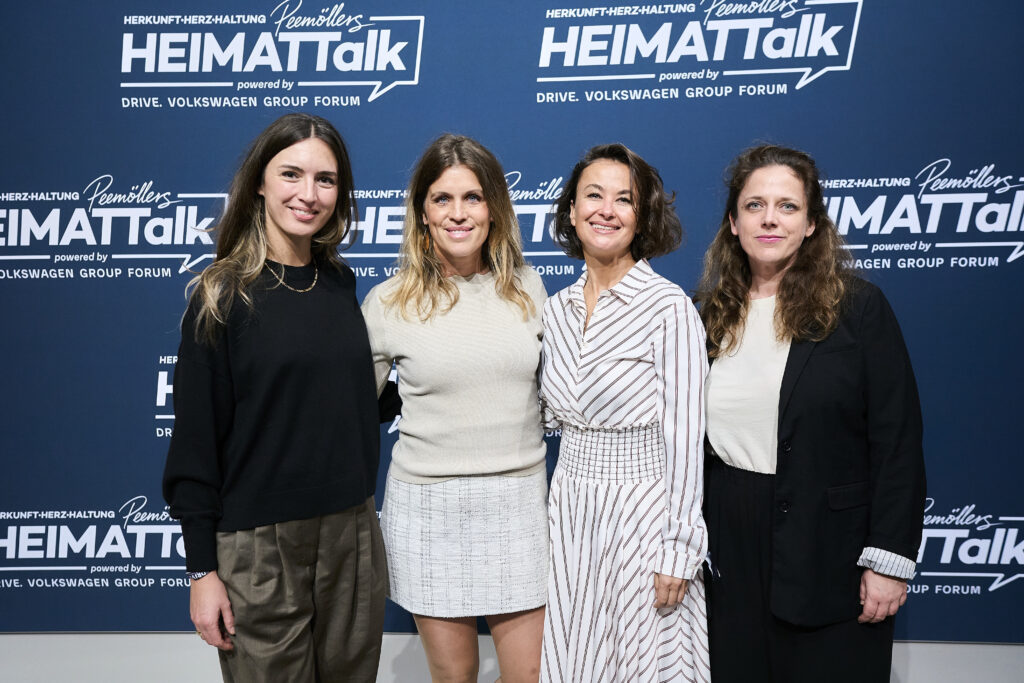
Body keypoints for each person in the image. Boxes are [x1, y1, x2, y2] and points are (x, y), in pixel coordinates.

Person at [162, 113, 389, 682]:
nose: (308, 195)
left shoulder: (340, 283)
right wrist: (202, 573)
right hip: (259, 546)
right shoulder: (221, 296)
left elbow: (349, 408)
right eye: (291, 174)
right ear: (259, 182)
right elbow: (194, 446)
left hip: (352, 533)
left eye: (326, 180)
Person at [696, 144, 926, 682]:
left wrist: (888, 559)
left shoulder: (858, 308)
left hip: (833, 551)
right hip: (729, 545)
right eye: (754, 206)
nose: (769, 218)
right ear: (733, 222)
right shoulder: (705, 315)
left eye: (787, 206)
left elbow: (897, 441)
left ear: (811, 224)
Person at [361, 134, 548, 683]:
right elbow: (348, 408)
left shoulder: (530, 289)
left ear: (494, 209)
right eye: (442, 199)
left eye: (473, 197)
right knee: (454, 677)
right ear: (422, 213)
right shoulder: (388, 302)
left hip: (519, 503)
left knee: (529, 674)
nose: (458, 213)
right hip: (428, 509)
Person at [539, 143, 710, 682]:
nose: (605, 210)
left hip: (644, 513)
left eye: (624, 199)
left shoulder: (669, 307)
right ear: (571, 210)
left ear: (643, 217)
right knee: (575, 657)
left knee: (647, 665)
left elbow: (686, 440)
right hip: (569, 512)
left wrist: (679, 550)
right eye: (593, 195)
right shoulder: (556, 309)